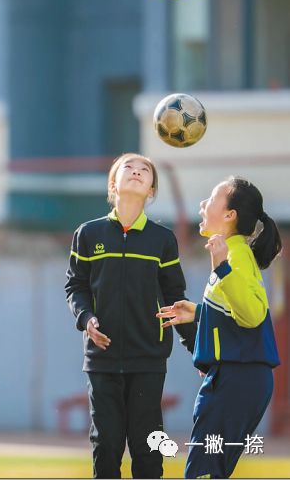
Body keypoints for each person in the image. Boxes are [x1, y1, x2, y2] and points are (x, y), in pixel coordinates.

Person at [65, 153, 197, 479]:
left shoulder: (162, 240)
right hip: (102, 359)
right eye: (129, 168)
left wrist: (199, 350)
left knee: (148, 448)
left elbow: (175, 299)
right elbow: (75, 286)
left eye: (145, 171)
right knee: (106, 447)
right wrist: (86, 319)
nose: (137, 172)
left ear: (151, 190)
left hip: (148, 360)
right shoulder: (88, 234)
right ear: (113, 183)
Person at [157, 177, 282, 479]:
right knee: (209, 470)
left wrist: (223, 267)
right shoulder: (233, 253)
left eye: (211, 199)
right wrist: (200, 315)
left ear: (230, 215)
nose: (202, 205)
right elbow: (237, 315)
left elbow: (252, 314)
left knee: (203, 471)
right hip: (235, 377)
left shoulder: (233, 256)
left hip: (237, 377)